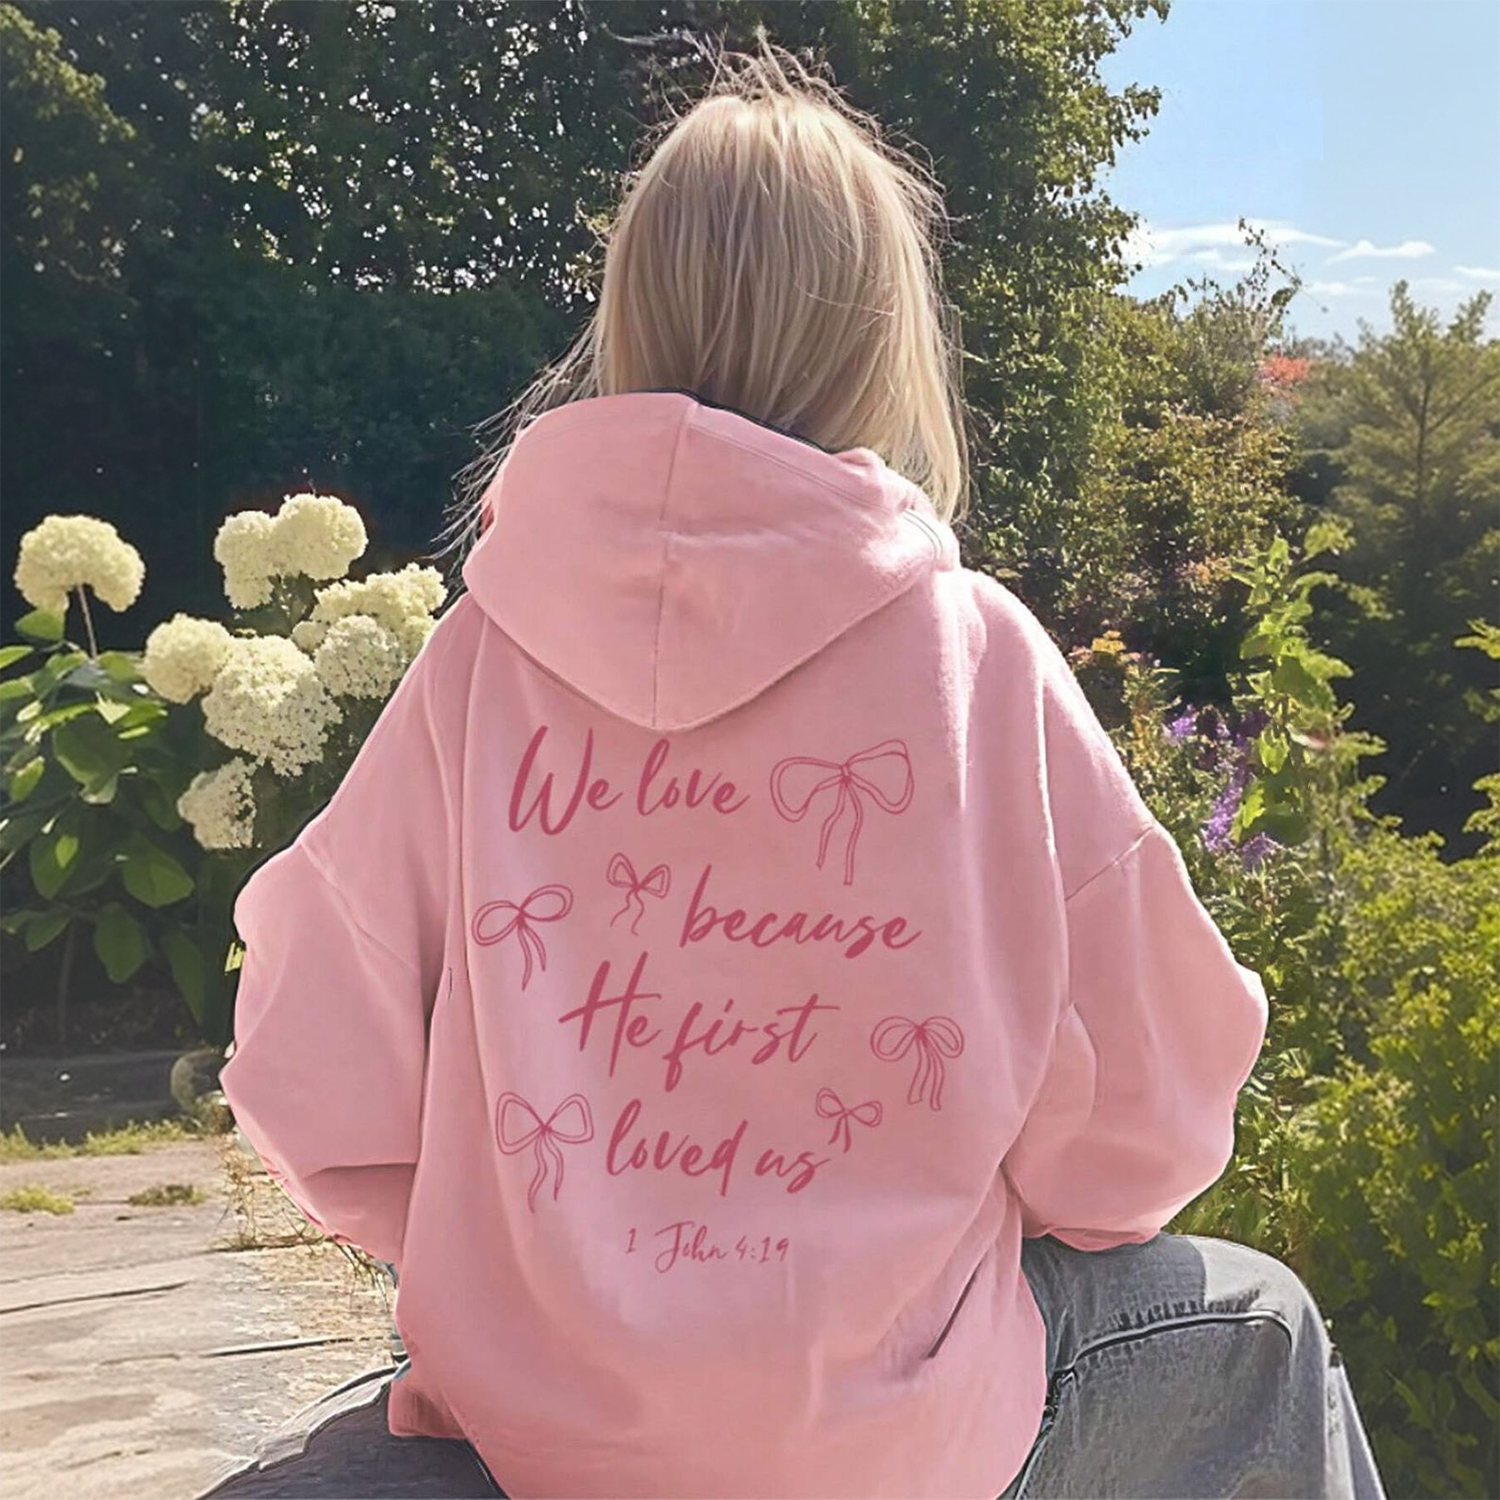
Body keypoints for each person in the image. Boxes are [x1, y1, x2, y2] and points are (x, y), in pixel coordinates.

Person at [205, 33, 1388, 1500]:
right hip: (907, 1441)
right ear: (882, 337)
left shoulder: (480, 662)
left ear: (629, 308)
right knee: (1267, 1329)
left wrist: (503, 1260)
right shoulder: (974, 660)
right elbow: (1144, 1129)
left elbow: (309, 1067)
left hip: (543, 1437)